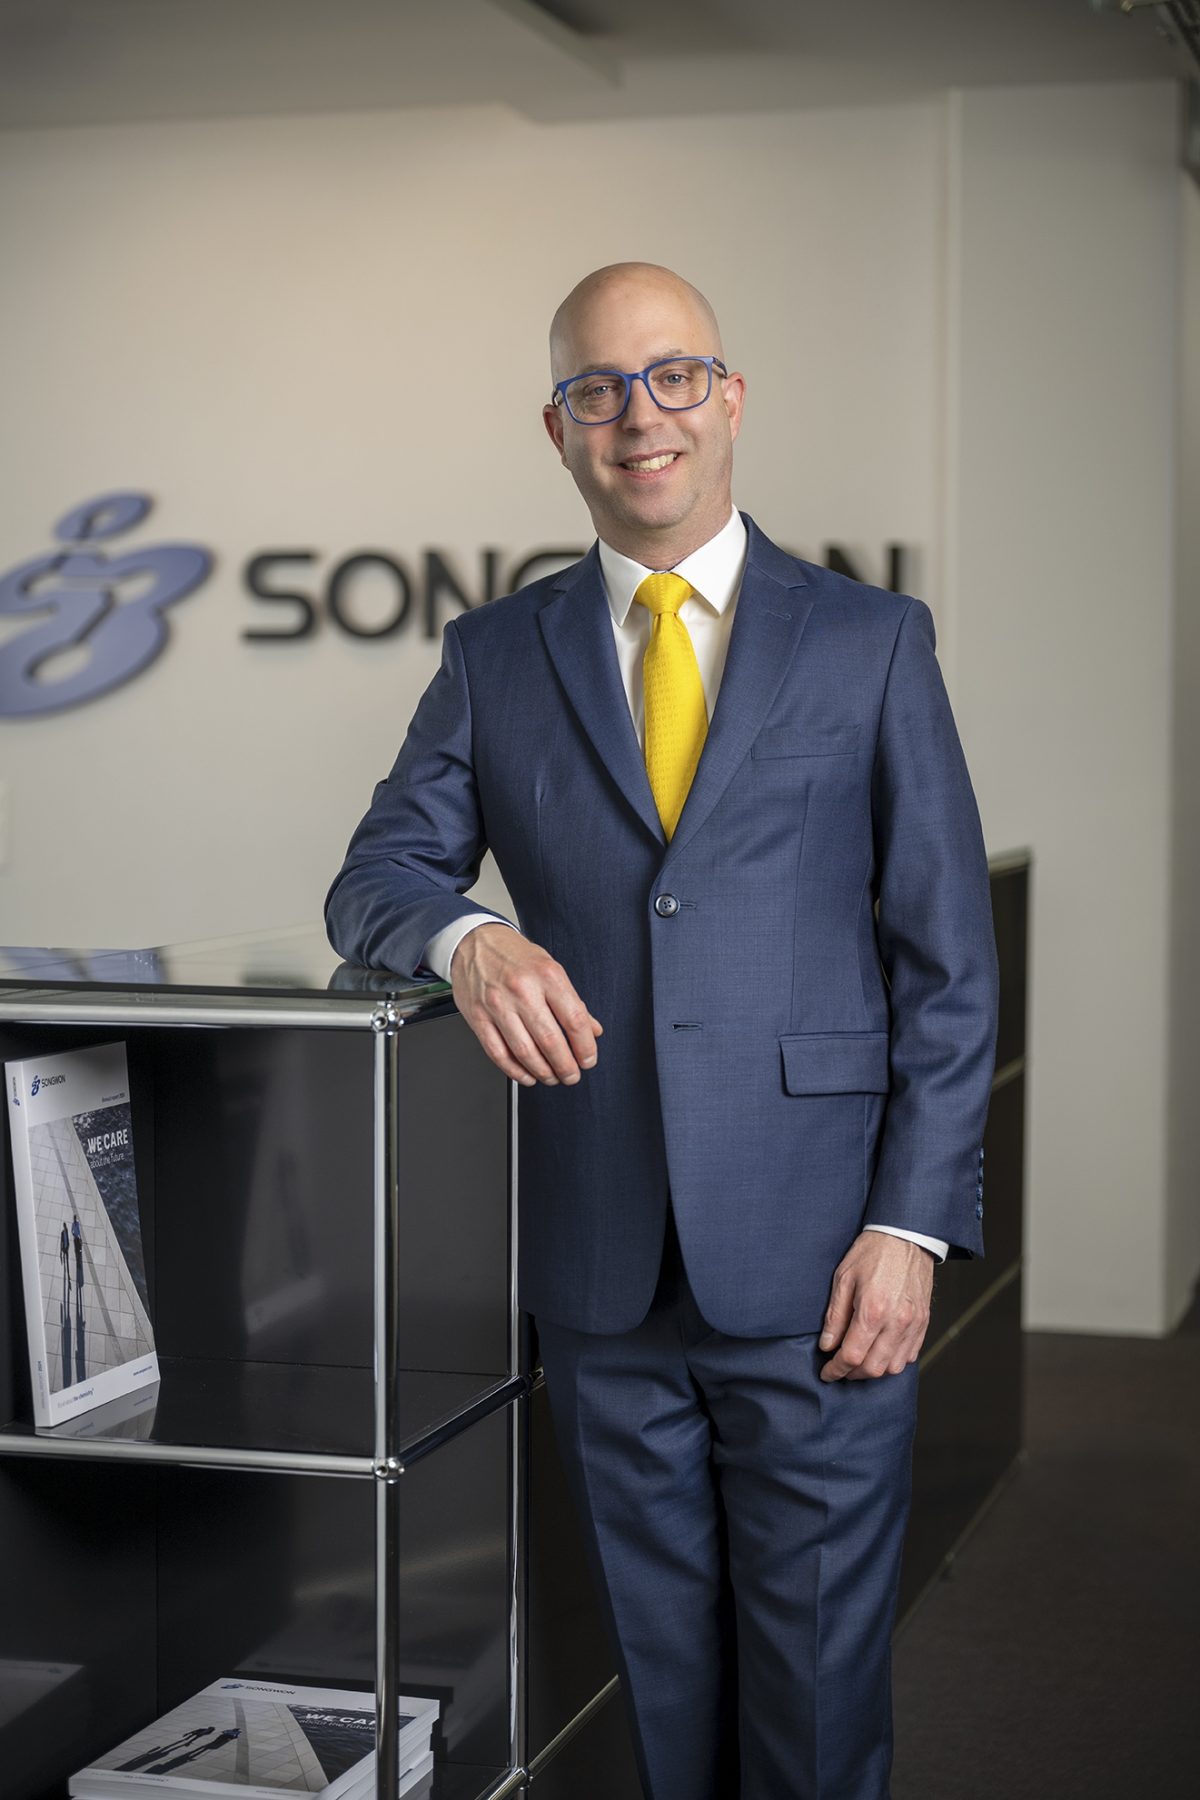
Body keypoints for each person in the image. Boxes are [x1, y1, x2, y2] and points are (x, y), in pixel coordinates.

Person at [325, 262, 998, 1800]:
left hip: (827, 1263)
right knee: (661, 1683)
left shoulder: (870, 640)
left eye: (674, 375)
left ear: (731, 397)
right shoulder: (496, 655)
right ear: (557, 428)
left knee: (816, 1698)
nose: (641, 417)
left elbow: (948, 966)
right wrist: (468, 936)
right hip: (601, 1267)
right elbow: (376, 877)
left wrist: (912, 1225)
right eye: (599, 389)